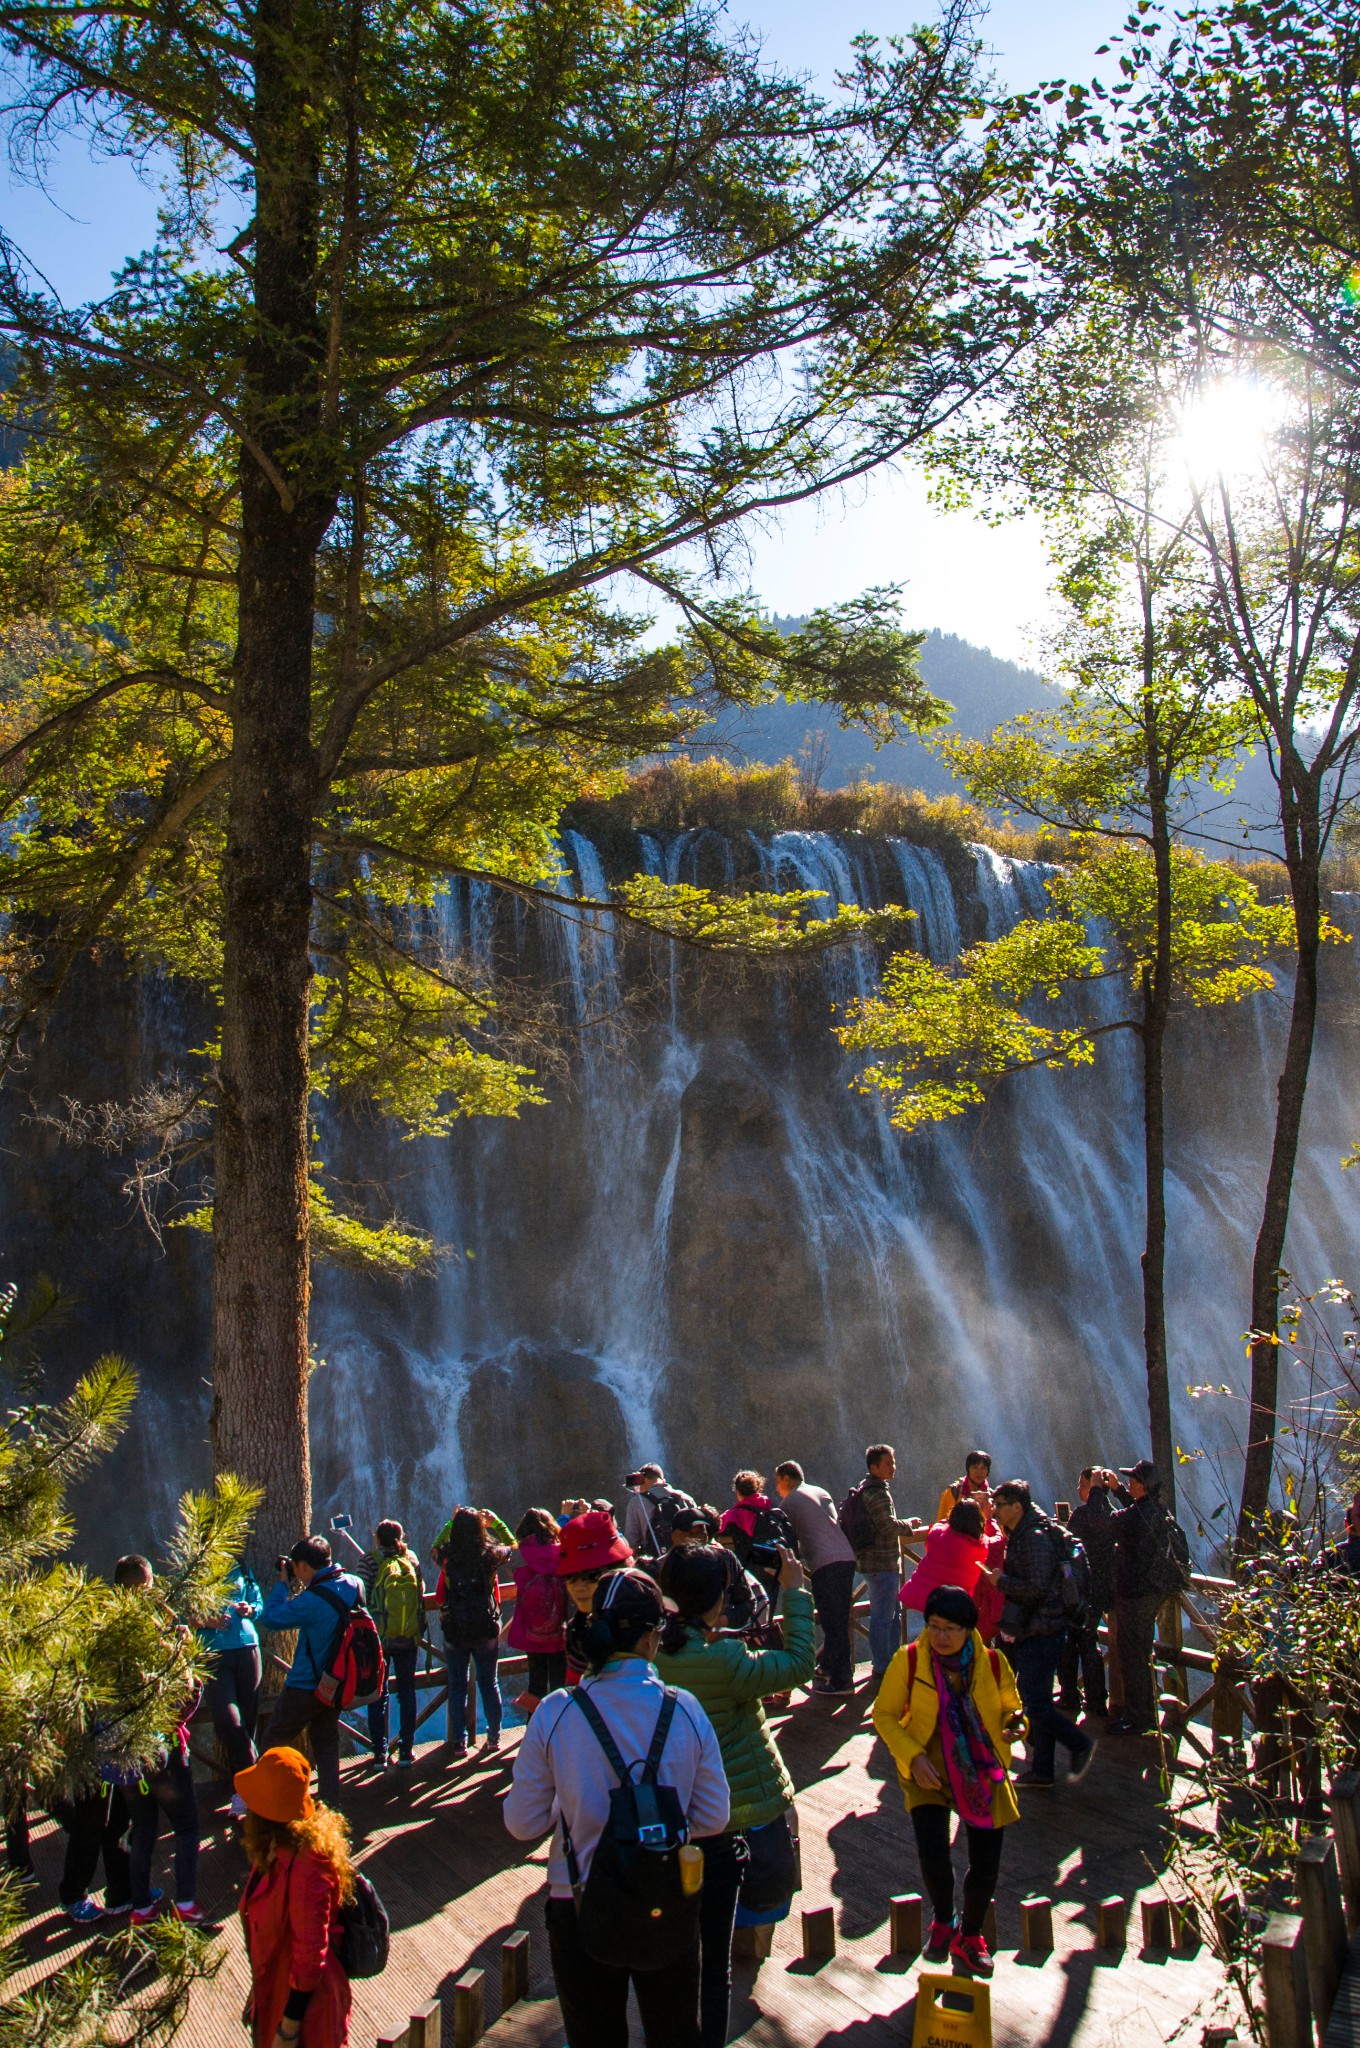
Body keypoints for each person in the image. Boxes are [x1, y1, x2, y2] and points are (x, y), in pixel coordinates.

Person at [504, 1567, 730, 2048]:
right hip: (668, 1897)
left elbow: (522, 1824)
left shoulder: (556, 1712)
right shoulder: (685, 1708)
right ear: (651, 1637)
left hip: (579, 1902)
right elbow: (714, 1818)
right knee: (674, 2035)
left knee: (595, 2038)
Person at [658, 1543, 815, 2048]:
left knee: (685, 1935)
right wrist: (794, 1593)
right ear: (717, 1598)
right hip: (736, 1811)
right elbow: (798, 1663)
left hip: (673, 1816)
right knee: (722, 1952)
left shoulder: (652, 1656)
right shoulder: (728, 1660)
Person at [872, 1585, 1024, 1980]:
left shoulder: (992, 1664)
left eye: (950, 1629)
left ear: (969, 1629)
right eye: (934, 1626)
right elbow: (884, 1715)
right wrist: (913, 1756)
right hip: (927, 1769)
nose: (940, 1636)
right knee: (933, 1852)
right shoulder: (908, 1661)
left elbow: (1012, 1706)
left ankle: (970, 1936)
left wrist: (1015, 1725)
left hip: (981, 1767)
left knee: (986, 1865)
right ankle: (944, 1919)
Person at [236, 1745, 355, 2048]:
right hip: (277, 1989)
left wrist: (287, 2030)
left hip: (307, 2015)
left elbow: (309, 1956)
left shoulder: (308, 1864)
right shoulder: (276, 1847)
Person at [113, 1553, 204, 1925]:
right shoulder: (155, 1632)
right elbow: (183, 1689)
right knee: (186, 1826)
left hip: (124, 1750)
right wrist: (184, 1649)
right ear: (144, 1584)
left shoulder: (108, 1630)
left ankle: (140, 1907)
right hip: (160, 1746)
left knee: (144, 1828)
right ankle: (185, 1905)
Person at [988, 1484, 1095, 1788]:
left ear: (1017, 1507)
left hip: (1042, 1626)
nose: (995, 1509)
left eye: (1000, 1504)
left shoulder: (1033, 1538)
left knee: (1034, 1702)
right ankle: (1043, 1770)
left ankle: (1079, 1744)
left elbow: (1036, 1588)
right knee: (1040, 1699)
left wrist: (1001, 1582)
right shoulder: (1027, 1530)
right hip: (1038, 1625)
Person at [260, 1536, 365, 1807]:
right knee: (326, 1741)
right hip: (337, 1681)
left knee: (274, 1739)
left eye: (296, 1567)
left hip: (305, 1685)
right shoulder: (355, 1584)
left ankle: (270, 1802)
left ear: (304, 1566)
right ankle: (331, 1805)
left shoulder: (311, 1600)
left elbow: (271, 1618)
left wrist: (283, 1584)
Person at [1100, 1461, 1187, 1735]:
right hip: (1152, 1593)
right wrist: (1117, 1491)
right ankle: (1145, 1714)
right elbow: (1135, 1509)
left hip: (1134, 1596)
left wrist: (1098, 1492)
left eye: (1132, 1481)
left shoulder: (1135, 1517)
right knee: (1141, 1654)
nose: (1129, 1484)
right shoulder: (1157, 1511)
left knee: (1133, 1658)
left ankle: (1140, 1718)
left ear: (1143, 1485)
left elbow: (1106, 1522)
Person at [772, 1462, 856, 1697]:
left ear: (787, 1479)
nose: (778, 1489)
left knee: (832, 1622)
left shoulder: (788, 1503)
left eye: (778, 1483)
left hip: (824, 1563)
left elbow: (787, 1541)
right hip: (846, 1558)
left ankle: (842, 1681)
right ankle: (827, 1666)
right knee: (839, 1616)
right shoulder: (821, 1491)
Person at [436, 1507, 509, 1759]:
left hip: (455, 1628)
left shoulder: (445, 1556)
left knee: (457, 1685)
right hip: (485, 1627)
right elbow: (513, 1545)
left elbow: (434, 1547)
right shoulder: (489, 1555)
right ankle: (494, 1737)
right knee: (490, 1683)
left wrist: (450, 1522)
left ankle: (459, 1742)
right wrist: (495, 1522)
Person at [365, 1521, 425, 1770]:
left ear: (377, 1538)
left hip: (379, 1637)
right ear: (402, 1537)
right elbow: (420, 1590)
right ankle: (406, 1751)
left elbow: (362, 1594)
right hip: (408, 1637)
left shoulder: (368, 1560)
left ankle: (379, 1753)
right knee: (407, 1691)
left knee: (378, 1693)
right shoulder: (410, 1558)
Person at [200, 1555, 265, 1782]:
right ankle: (255, 1782)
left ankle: (243, 1795)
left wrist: (250, 1609)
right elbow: (176, 1613)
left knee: (247, 1723)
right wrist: (205, 1621)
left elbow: (257, 1602)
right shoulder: (192, 1567)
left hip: (248, 1648)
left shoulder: (240, 1566)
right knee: (229, 1723)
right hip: (213, 1652)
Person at [854, 1445, 915, 1682]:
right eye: (888, 1463)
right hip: (881, 1564)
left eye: (893, 1462)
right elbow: (887, 1526)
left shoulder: (868, 1489)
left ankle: (890, 1660)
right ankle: (882, 1665)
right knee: (883, 1616)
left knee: (890, 1613)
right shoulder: (877, 1493)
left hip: (876, 1563)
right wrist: (908, 1525)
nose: (893, 1467)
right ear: (874, 1467)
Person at [901, 1501, 1002, 1643]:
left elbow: (936, 1529)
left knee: (933, 1628)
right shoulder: (981, 1545)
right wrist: (990, 1520)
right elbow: (998, 1539)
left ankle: (924, 1657)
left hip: (929, 1596)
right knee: (948, 1635)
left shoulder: (938, 1535)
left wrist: (946, 1521)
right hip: (957, 1600)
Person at [1060, 1470, 1114, 1719]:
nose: (1077, 1490)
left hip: (1081, 1588)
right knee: (1090, 1642)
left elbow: (1067, 1546)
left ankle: (1071, 1694)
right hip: (1105, 1588)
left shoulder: (1083, 1515)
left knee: (1073, 1642)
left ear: (1091, 1488)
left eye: (1082, 1485)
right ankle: (1096, 1698)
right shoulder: (1112, 1513)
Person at [558, 1508, 634, 1684]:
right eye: (570, 1576)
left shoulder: (643, 1626)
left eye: (591, 1576)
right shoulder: (576, 1631)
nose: (578, 1587)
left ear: (617, 1571)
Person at [507, 1508, 568, 1710]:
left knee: (536, 1682)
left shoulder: (520, 1555)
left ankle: (534, 1729)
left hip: (532, 1629)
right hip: (559, 1626)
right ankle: (561, 1728)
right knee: (560, 1683)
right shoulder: (562, 1551)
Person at [718, 1473, 796, 1609]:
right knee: (769, 1606)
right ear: (757, 1488)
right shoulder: (770, 1510)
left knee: (752, 1608)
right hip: (771, 1567)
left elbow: (718, 1530)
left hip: (749, 1569)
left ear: (737, 1491)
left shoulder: (733, 1515)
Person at [622, 1464, 701, 1560]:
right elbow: (699, 1533)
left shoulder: (636, 1502)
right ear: (663, 1481)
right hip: (686, 1561)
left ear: (642, 1479)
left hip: (655, 1564)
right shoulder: (687, 1499)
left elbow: (632, 1541)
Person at [936, 1453, 993, 1527]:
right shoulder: (953, 1492)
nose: (979, 1472)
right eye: (974, 1467)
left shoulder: (992, 1496)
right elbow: (940, 1523)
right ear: (968, 1469)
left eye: (983, 1468)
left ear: (988, 1471)